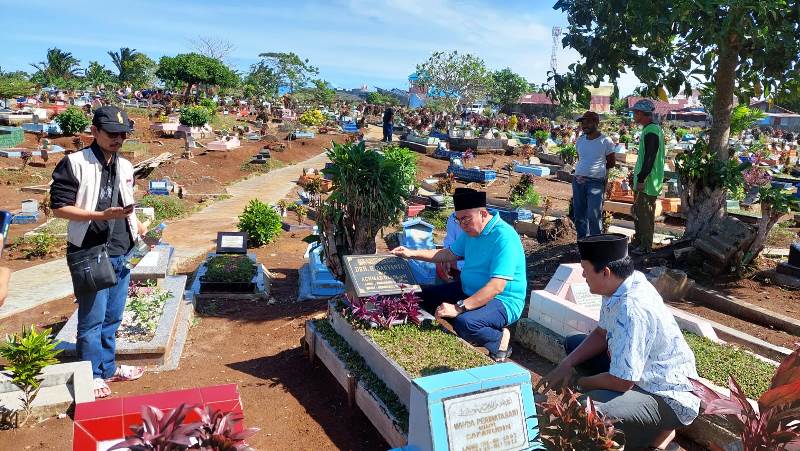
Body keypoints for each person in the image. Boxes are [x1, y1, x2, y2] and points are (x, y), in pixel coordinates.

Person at [536, 233, 699, 450]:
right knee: (574, 346)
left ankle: (648, 435)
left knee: (588, 408)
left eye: (585, 271)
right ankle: (644, 427)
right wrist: (566, 365)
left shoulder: (631, 309)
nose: (583, 276)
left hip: (665, 395)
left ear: (606, 272)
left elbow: (622, 381)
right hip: (641, 376)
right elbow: (601, 333)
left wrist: (578, 383)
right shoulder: (621, 284)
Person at [51, 106, 147, 398]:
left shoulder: (126, 165)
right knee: (92, 317)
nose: (118, 139)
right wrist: (99, 216)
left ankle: (107, 368)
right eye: (112, 134)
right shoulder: (75, 163)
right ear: (94, 131)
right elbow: (58, 208)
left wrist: (139, 224)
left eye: (123, 134)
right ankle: (89, 373)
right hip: (90, 251)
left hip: (122, 250)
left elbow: (126, 201)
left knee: (113, 316)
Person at [391, 188, 526, 361]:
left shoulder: (504, 238)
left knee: (466, 323)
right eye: (459, 219)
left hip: (503, 301)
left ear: (483, 214)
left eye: (466, 219)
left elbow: (496, 287)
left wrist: (458, 308)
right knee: (420, 296)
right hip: (468, 290)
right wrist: (411, 253)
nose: (462, 224)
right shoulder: (470, 232)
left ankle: (498, 338)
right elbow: (447, 254)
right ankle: (467, 318)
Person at [572, 111, 616, 238]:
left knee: (593, 215)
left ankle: (596, 242)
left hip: (595, 182)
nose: (584, 125)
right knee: (579, 215)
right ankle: (582, 242)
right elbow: (582, 158)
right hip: (578, 180)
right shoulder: (580, 140)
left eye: (588, 122)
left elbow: (611, 162)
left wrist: (596, 171)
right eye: (582, 123)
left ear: (596, 123)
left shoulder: (605, 141)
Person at [630, 100, 665, 255]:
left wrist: (642, 178)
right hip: (647, 180)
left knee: (645, 215)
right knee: (639, 212)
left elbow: (650, 157)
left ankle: (645, 247)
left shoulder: (651, 131)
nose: (633, 115)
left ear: (641, 114)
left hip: (648, 181)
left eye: (635, 113)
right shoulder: (650, 129)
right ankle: (639, 242)